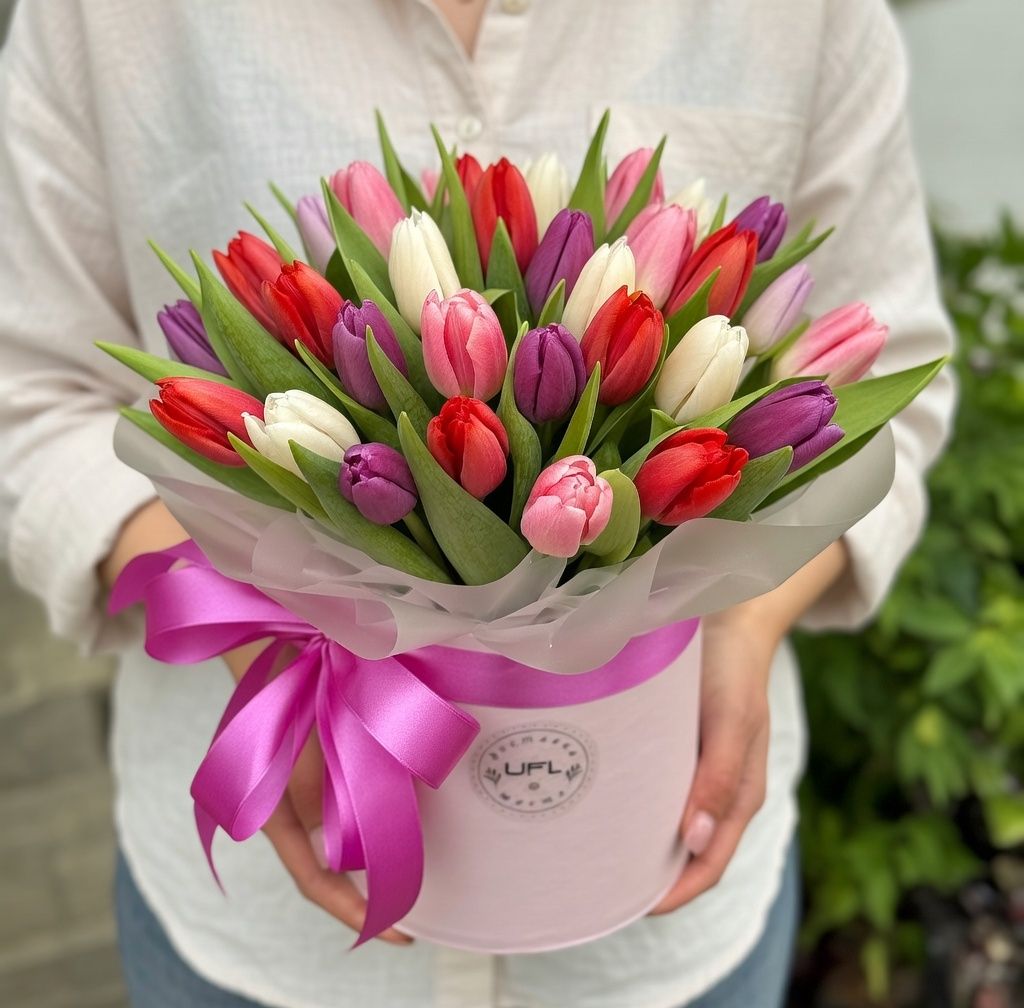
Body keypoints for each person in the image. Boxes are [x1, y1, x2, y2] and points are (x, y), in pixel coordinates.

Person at [0, 0, 955, 1005]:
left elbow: (894, 389)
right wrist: (266, 647)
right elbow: (30, 397)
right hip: (258, 946)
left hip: (667, 924)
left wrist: (744, 627)